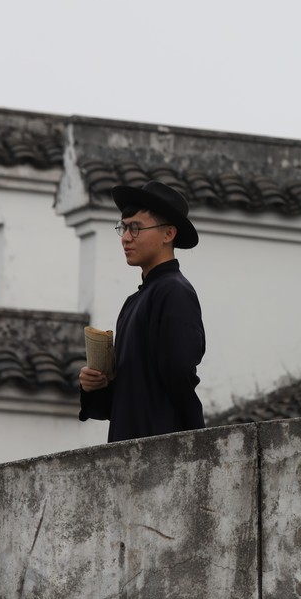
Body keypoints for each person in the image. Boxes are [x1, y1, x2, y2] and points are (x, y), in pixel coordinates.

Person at [79, 180, 206, 441]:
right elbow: (130, 389)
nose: (125, 238)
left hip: (160, 443)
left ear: (168, 234)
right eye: (124, 228)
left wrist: (198, 438)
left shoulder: (174, 291)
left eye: (135, 228)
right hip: (132, 442)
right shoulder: (136, 300)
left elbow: (179, 373)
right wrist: (97, 385)